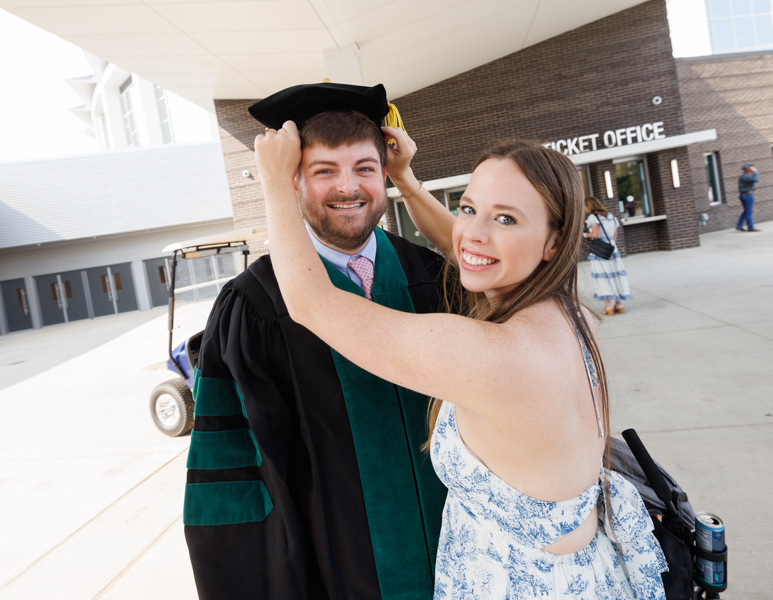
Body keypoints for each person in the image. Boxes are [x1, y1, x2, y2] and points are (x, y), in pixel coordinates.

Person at [255, 117, 668, 598]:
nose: (472, 233)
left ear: (554, 241)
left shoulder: (492, 357)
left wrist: (275, 182)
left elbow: (311, 303)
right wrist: (405, 179)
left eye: (506, 217)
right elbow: (472, 245)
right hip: (585, 572)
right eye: (469, 207)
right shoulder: (570, 314)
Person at [183, 83, 447, 599]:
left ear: (385, 174)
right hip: (339, 568)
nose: (348, 187)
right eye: (324, 170)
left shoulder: (430, 275)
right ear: (294, 182)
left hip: (466, 550)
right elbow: (235, 476)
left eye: (364, 168)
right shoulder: (254, 306)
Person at [584, 196, 632, 316]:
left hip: (600, 252)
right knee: (615, 276)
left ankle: (608, 307)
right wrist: (611, 244)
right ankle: (619, 305)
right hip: (612, 250)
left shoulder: (593, 217)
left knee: (603, 278)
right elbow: (615, 233)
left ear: (589, 206)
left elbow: (594, 234)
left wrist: (583, 234)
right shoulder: (610, 215)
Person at [737, 163, 760, 232]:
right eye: (751, 168)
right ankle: (750, 227)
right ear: (747, 169)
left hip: (746, 195)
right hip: (747, 196)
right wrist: (756, 171)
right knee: (748, 212)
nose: (753, 169)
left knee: (746, 211)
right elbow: (756, 179)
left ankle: (739, 225)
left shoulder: (745, 176)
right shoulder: (746, 176)